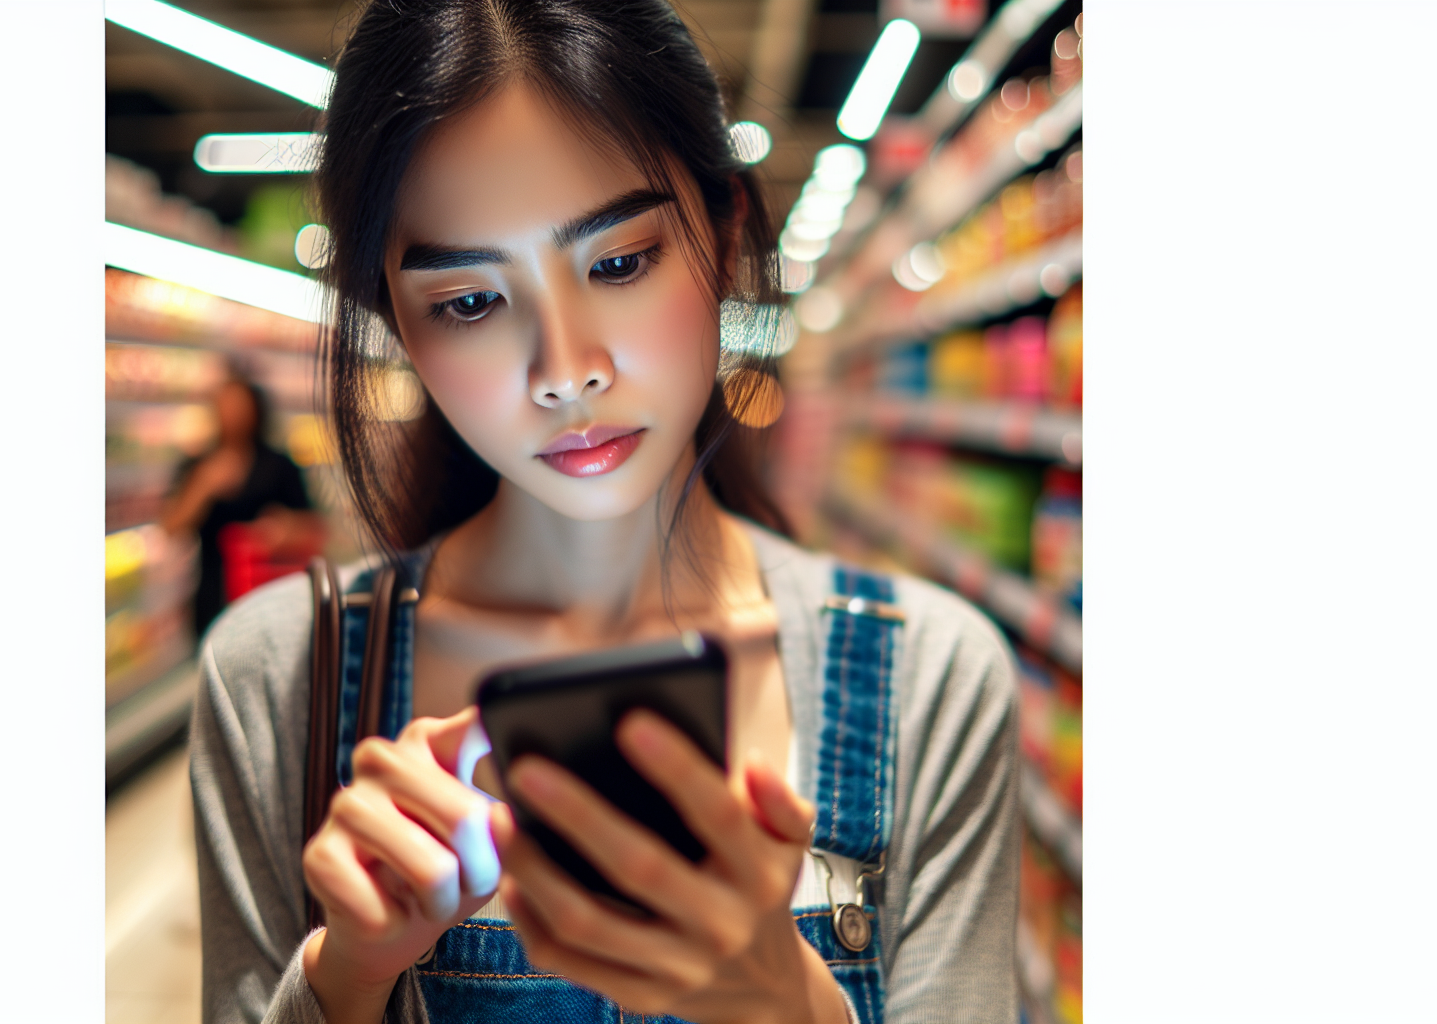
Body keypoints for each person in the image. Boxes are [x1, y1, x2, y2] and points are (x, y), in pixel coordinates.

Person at [189, 2, 1020, 1022]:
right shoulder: (280, 677)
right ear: (395, 321)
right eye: (469, 302)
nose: (566, 370)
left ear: (722, 231)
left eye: (618, 263)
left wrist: (782, 1003)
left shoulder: (927, 678)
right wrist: (343, 978)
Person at [160, 372, 316, 639]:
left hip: (270, 593)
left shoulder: (279, 465)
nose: (232, 414)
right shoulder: (199, 465)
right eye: (224, 404)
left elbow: (314, 526)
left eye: (239, 405)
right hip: (213, 595)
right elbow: (170, 527)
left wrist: (282, 528)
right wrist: (202, 488)